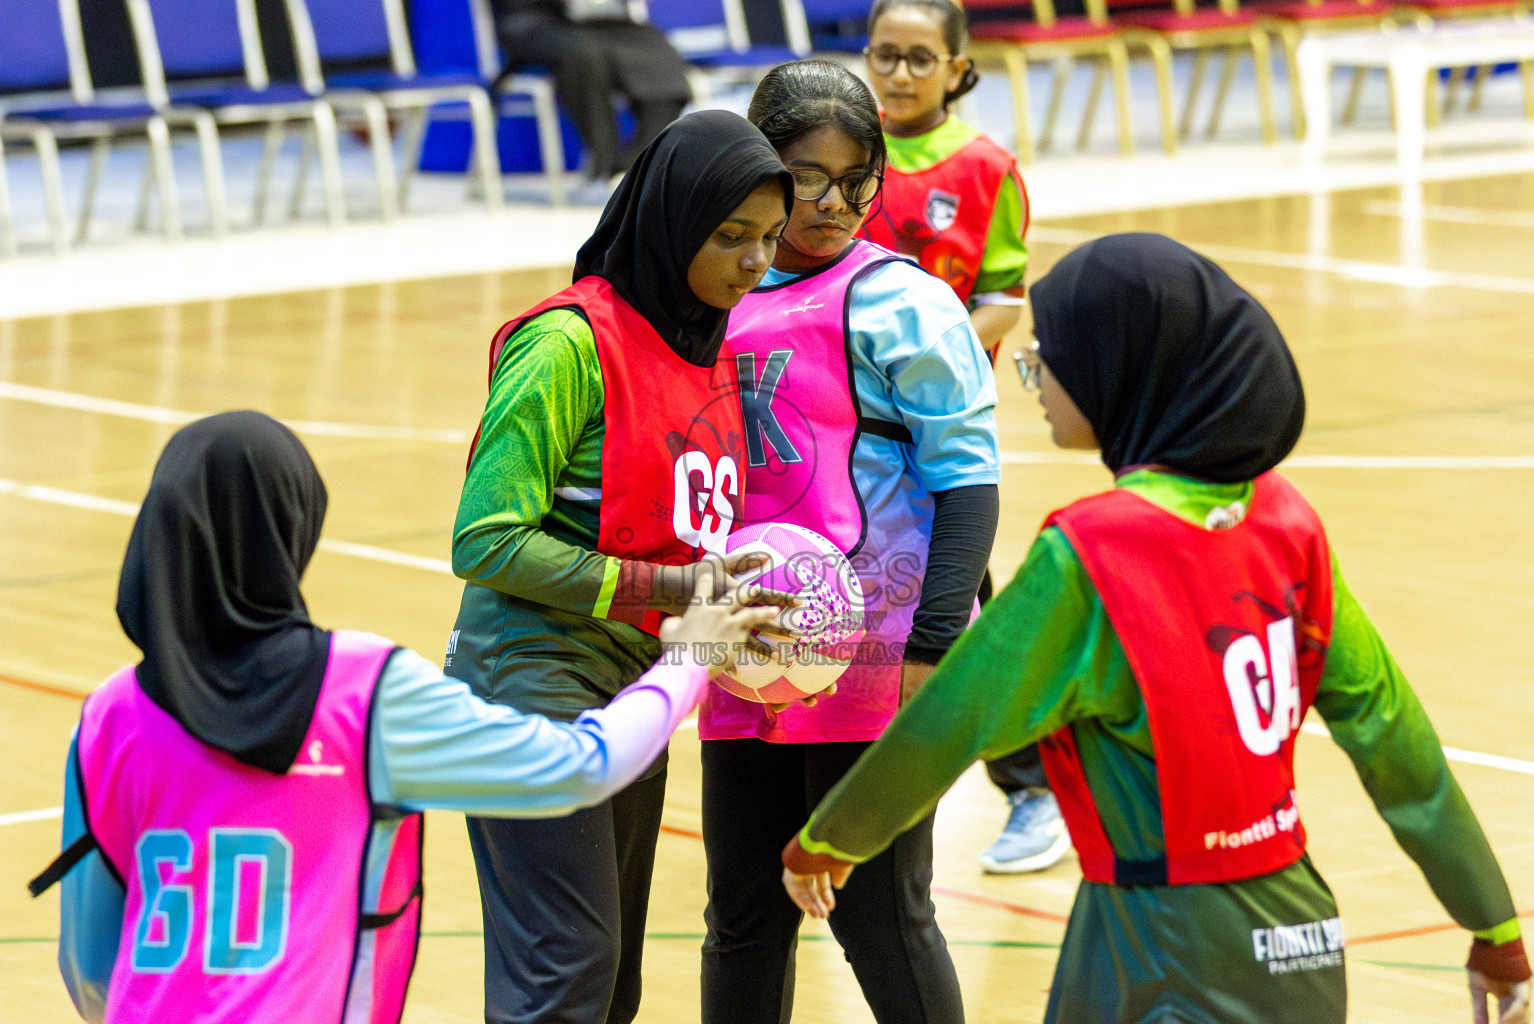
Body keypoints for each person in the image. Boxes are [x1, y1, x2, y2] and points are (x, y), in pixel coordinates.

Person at [779, 233, 1534, 1024]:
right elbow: (1399, 744)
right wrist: (1495, 924)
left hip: (1158, 940)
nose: (1034, 374)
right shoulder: (1289, 520)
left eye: (1052, 354)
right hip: (1302, 935)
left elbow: (950, 719)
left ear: (1120, 369)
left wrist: (832, 838)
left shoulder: (1093, 548)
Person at [29, 411, 778, 1024]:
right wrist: (690, 658)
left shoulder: (109, 717)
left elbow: (88, 966)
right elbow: (582, 767)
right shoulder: (361, 691)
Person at [445, 110, 794, 1024]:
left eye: (767, 238)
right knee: (567, 970)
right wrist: (671, 591)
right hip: (531, 680)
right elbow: (484, 539)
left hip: (633, 684)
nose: (756, 261)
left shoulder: (709, 342)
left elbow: (682, 523)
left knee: (613, 986)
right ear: (672, 221)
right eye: (731, 237)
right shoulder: (565, 343)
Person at [698, 59, 999, 1024]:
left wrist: (933, 644)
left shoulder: (903, 303)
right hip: (740, 646)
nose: (833, 202)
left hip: (873, 660)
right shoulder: (715, 288)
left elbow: (969, 483)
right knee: (742, 917)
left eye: (857, 177)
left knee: (880, 913)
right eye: (806, 177)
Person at [856, 0, 1063, 875]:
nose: (898, 74)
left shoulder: (986, 170)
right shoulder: (840, 146)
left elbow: (1003, 300)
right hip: (838, 427)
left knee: (956, 605)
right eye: (883, 56)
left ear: (956, 67)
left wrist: (921, 362)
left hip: (931, 430)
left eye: (918, 58)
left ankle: (1032, 784)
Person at [490, 0, 693, 186]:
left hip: (597, 23)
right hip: (532, 22)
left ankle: (639, 162)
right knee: (584, 55)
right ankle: (603, 162)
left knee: (656, 48)